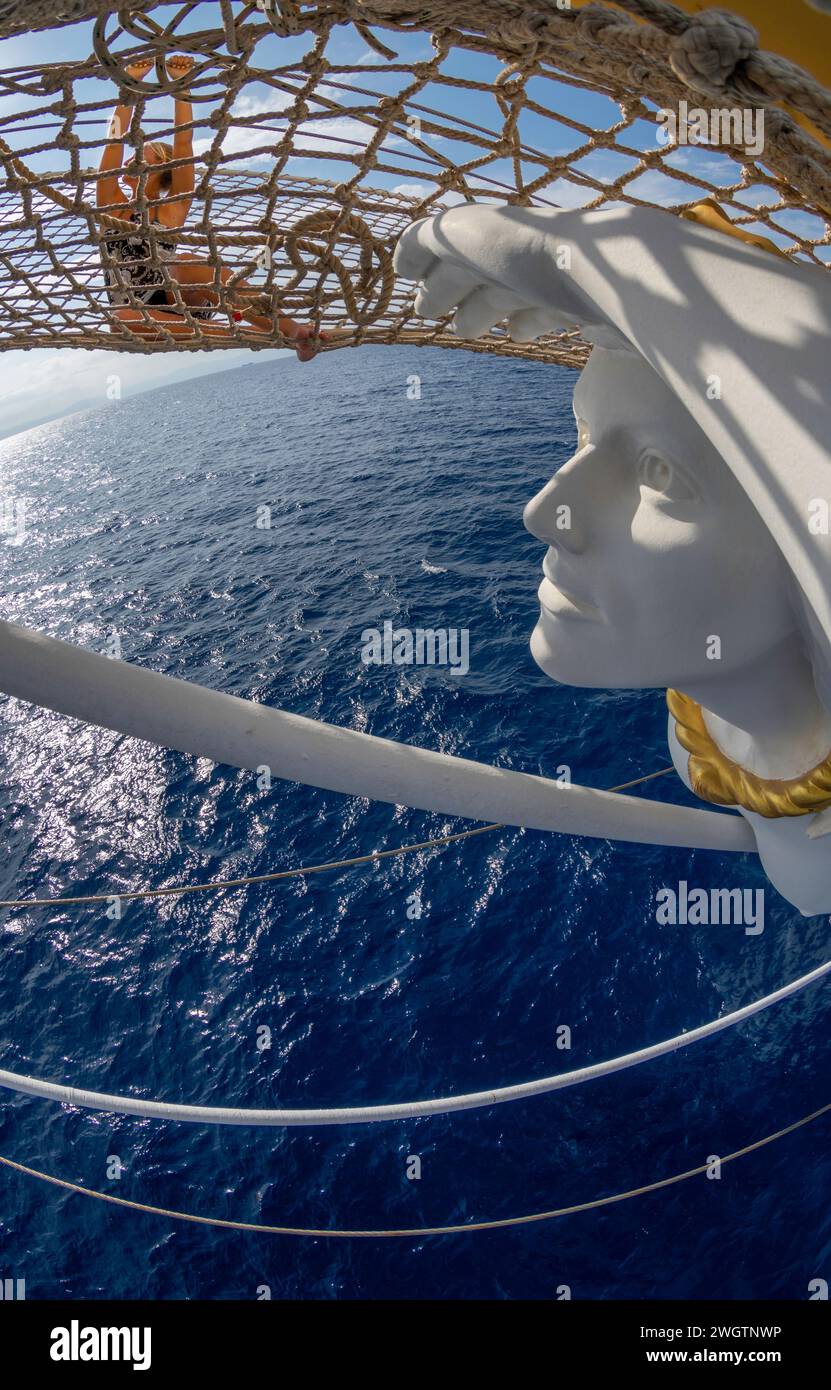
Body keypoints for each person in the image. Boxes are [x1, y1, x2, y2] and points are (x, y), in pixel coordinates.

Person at [96, 54, 323, 361]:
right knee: (119, 319)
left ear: (162, 163)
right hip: (142, 319)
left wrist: (181, 87)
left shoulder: (171, 209)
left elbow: (184, 143)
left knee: (191, 262)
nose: (127, 160)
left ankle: (293, 331)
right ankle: (247, 334)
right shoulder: (110, 203)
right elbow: (113, 141)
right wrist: (129, 88)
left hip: (184, 301)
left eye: (140, 155)